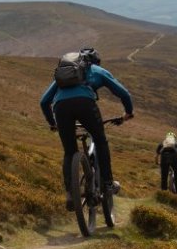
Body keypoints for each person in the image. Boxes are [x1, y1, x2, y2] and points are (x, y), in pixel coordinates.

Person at [40, 47, 134, 210]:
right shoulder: (97, 70)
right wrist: (128, 113)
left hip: (61, 109)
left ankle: (70, 194)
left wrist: (52, 122)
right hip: (85, 105)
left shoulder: (65, 74)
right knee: (100, 140)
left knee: (69, 152)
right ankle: (108, 183)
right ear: (95, 61)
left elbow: (44, 101)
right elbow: (124, 93)